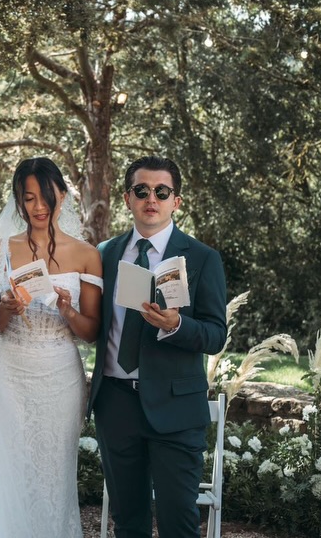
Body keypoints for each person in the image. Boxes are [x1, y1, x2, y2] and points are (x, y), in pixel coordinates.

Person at [0, 157, 103, 537]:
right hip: (9, 377)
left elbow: (92, 332)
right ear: (18, 201)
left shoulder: (87, 254)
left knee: (53, 473)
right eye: (28, 198)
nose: (39, 206)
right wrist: (5, 309)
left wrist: (67, 309)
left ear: (62, 194)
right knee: (7, 470)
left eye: (46, 196)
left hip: (60, 377)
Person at [86, 156, 227, 537]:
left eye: (162, 192)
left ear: (175, 201)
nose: (152, 198)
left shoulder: (202, 258)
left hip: (176, 408)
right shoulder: (104, 254)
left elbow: (216, 336)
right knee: (128, 520)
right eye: (142, 190)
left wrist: (177, 325)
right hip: (115, 403)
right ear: (127, 197)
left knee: (178, 520)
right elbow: (94, 327)